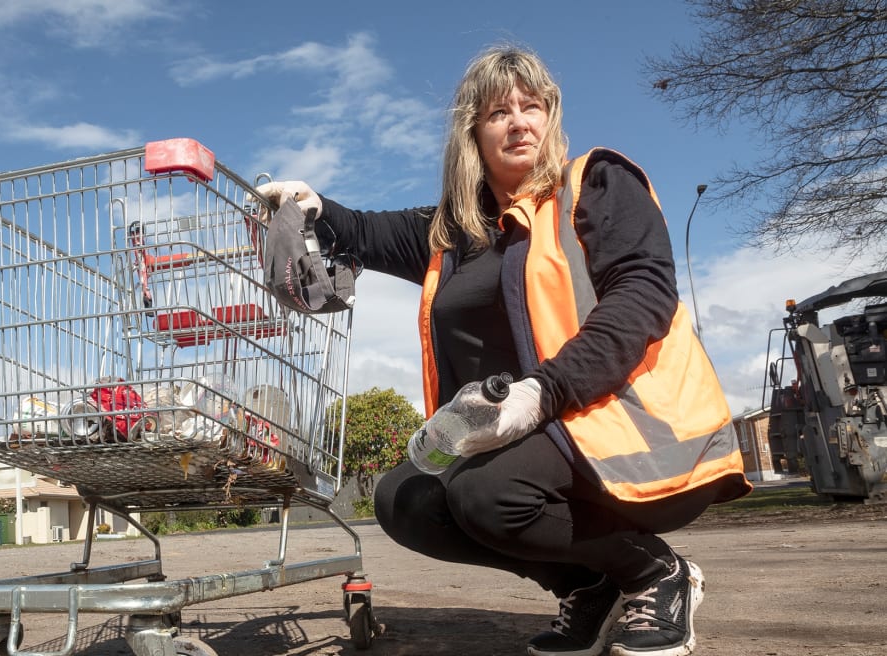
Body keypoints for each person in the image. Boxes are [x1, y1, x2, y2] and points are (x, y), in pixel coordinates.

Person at [255, 44, 751, 656]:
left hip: (618, 426)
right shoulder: (451, 231)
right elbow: (363, 230)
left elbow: (643, 296)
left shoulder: (594, 184)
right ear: (473, 132)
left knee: (484, 493)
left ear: (551, 117)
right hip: (531, 441)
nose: (520, 121)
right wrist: (312, 206)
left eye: (533, 106)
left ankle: (655, 573)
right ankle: (590, 584)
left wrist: (542, 392)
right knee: (404, 499)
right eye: (498, 112)